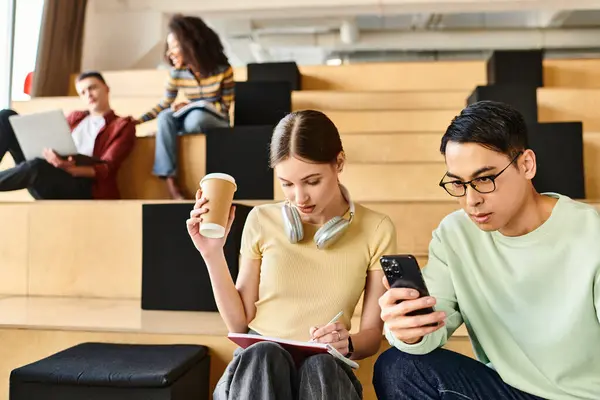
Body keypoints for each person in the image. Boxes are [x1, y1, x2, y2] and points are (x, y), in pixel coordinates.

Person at [374, 101, 600, 400]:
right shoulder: (454, 234)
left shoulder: (591, 233)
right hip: (507, 391)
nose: (471, 200)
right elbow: (430, 328)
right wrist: (409, 329)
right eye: (458, 183)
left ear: (526, 165)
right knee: (399, 366)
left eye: (484, 179)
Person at [186, 110, 397, 399]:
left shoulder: (376, 229)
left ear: (339, 163)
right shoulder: (261, 220)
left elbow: (372, 335)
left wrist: (346, 342)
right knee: (263, 355)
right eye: (287, 184)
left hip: (327, 371)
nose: (300, 198)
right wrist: (212, 253)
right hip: (256, 370)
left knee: (320, 366)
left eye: (312, 181)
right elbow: (239, 323)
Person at [136, 14, 235, 199]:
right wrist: (138, 121)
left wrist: (194, 104)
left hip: (216, 120)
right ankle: (172, 185)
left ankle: (171, 134)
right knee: (166, 117)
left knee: (194, 118)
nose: (169, 53)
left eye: (174, 46)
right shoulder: (176, 73)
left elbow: (224, 107)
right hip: (191, 119)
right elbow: (164, 104)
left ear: (190, 45)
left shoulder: (224, 70)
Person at [0, 71, 136, 199]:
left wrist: (71, 169)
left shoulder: (122, 125)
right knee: (6, 116)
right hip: (50, 169)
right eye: (83, 92)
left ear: (106, 88)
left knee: (36, 166)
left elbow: (106, 169)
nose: (88, 94)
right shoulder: (75, 118)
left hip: (82, 184)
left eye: (92, 88)